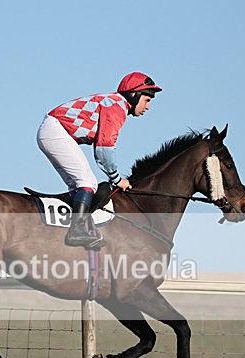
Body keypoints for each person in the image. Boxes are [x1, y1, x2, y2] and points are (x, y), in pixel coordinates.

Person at [37, 72, 162, 248]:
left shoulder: (114, 103)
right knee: (87, 182)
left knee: (78, 187)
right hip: (56, 131)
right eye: (147, 100)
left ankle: (68, 230)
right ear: (134, 94)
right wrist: (117, 179)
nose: (148, 106)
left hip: (53, 131)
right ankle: (76, 232)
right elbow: (104, 150)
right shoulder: (117, 107)